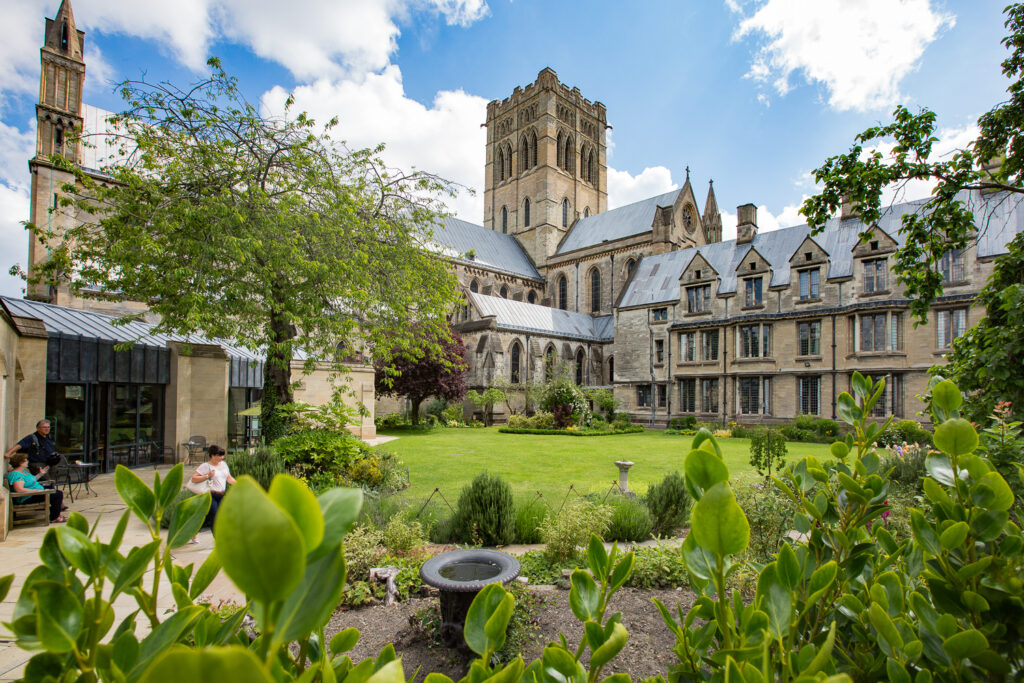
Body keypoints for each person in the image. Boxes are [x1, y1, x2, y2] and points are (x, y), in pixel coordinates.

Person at [189, 445, 235, 544]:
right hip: (210, 495)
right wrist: (207, 476)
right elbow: (194, 478)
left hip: (222, 495)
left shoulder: (223, 464)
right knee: (215, 516)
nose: (222, 458)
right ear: (213, 455)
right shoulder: (206, 466)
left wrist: (239, 483)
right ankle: (218, 540)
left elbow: (229, 478)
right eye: (219, 455)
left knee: (210, 517)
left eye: (222, 456)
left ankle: (193, 531)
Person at [5, 452, 67, 523]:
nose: (27, 462)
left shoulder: (22, 472)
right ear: (20, 463)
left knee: (52, 488)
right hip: (27, 497)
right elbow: (19, 489)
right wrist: (36, 491)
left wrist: (40, 474)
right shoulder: (16, 475)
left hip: (33, 493)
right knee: (57, 494)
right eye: (26, 460)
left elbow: (31, 480)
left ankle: (57, 514)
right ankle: (54, 517)